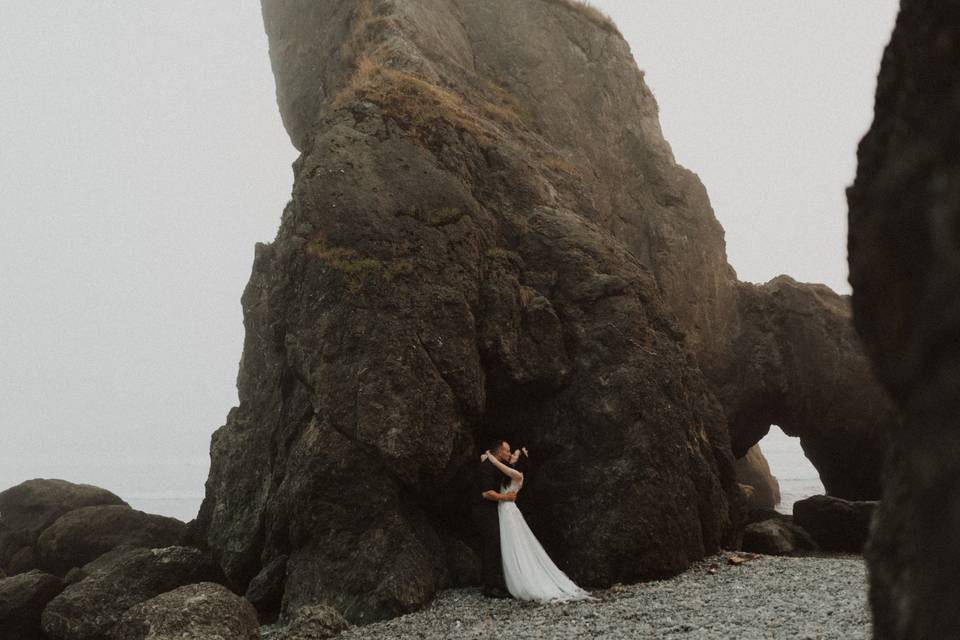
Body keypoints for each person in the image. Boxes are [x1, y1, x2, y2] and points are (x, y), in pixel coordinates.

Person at [483, 445, 594, 603]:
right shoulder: (509, 474)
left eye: (514, 455)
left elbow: (498, 465)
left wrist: (490, 456)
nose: (511, 456)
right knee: (509, 544)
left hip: (508, 510)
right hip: (504, 509)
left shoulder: (517, 475)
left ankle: (522, 578)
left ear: (519, 461)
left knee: (514, 544)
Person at [473, 438, 516, 599]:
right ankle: (490, 587)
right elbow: (486, 493)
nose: (509, 453)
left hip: (491, 511)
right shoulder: (486, 469)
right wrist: (507, 497)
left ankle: (494, 582)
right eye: (507, 450)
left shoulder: (495, 467)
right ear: (499, 451)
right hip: (483, 511)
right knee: (492, 544)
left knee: (495, 544)